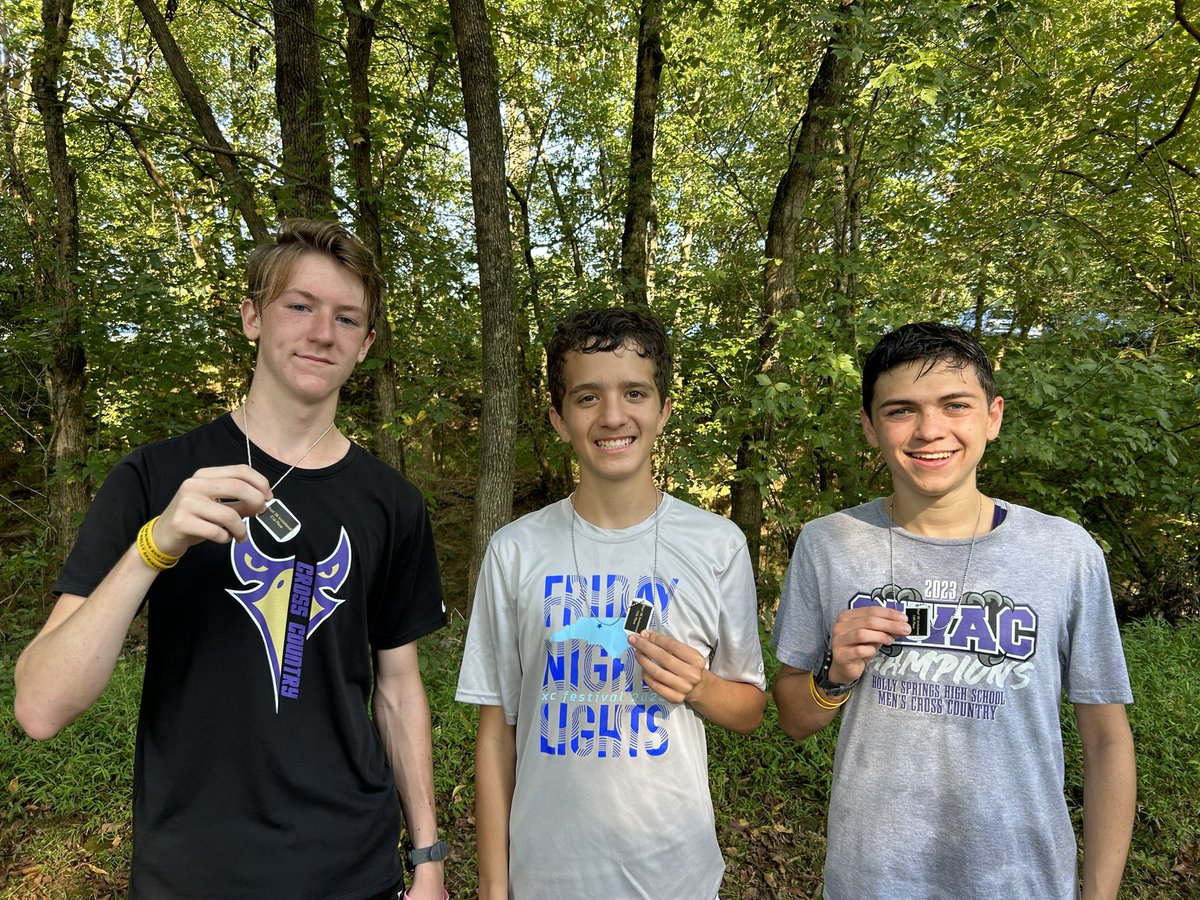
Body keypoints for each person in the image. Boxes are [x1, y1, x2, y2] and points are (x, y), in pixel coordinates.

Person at [14, 219, 449, 900]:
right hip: (194, 871)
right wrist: (152, 548)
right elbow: (40, 708)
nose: (321, 332)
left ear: (364, 346)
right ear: (252, 317)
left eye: (346, 318)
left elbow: (398, 687)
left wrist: (427, 858)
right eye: (299, 306)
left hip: (353, 871)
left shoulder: (392, 503)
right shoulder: (153, 478)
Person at [771, 322, 1136, 900]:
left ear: (992, 416)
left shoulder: (1065, 552)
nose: (929, 430)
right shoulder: (828, 543)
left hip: (1023, 880)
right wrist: (833, 675)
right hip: (873, 879)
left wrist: (1099, 895)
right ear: (869, 426)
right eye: (900, 410)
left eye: (954, 405)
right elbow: (792, 716)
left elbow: (1107, 742)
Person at [456, 307, 766, 899]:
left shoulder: (718, 545)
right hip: (545, 875)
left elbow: (749, 709)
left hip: (675, 875)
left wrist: (698, 686)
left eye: (634, 393)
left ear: (663, 410)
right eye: (588, 397)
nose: (613, 415)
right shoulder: (514, 551)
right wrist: (494, 890)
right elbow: (496, 733)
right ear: (558, 418)